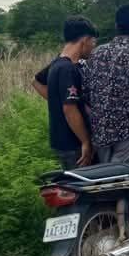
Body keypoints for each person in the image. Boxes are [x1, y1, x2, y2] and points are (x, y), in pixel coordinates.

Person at [86, 4, 129, 163]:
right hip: (125, 136)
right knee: (121, 177)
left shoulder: (96, 53)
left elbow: (86, 93)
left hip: (99, 134)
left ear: (117, 26)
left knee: (105, 176)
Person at [42, 16, 98, 170]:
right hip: (73, 144)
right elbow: (69, 109)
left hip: (62, 141)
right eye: (93, 42)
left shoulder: (56, 64)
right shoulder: (68, 69)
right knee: (83, 183)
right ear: (85, 40)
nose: (93, 47)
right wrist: (85, 142)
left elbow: (37, 83)